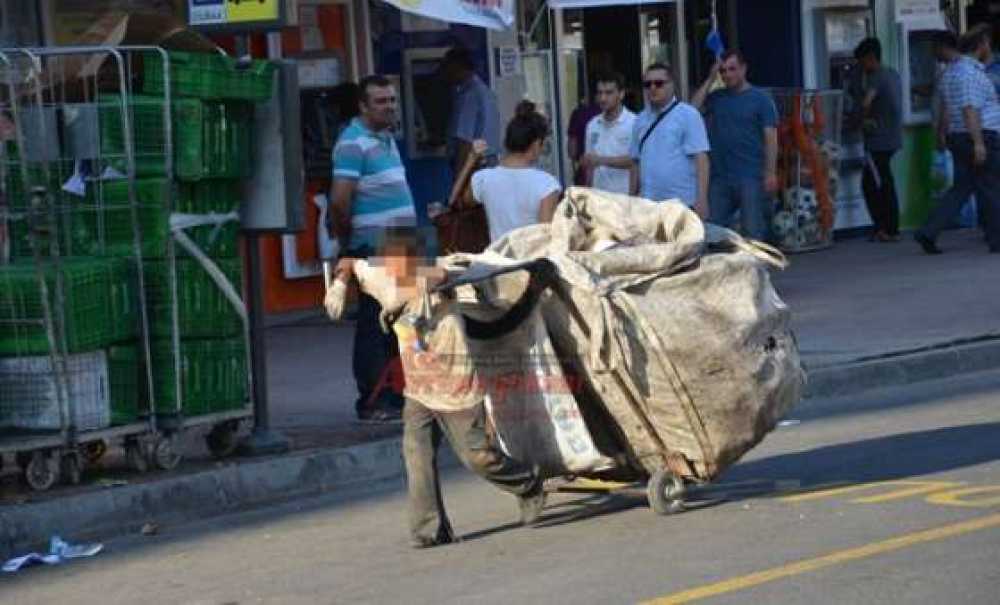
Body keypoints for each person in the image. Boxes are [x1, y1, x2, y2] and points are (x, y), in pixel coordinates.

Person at [324, 228, 547, 548]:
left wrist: (412, 286)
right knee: (416, 454)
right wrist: (340, 284)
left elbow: (444, 272)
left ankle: (528, 484)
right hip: (418, 388)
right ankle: (429, 529)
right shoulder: (378, 276)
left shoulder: (444, 273)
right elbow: (349, 262)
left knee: (478, 457)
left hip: (457, 387)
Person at [329, 75, 418, 422]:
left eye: (392, 100)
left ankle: (398, 394)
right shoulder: (352, 143)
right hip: (373, 244)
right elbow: (340, 200)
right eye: (381, 102)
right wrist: (348, 243)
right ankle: (372, 399)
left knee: (404, 323)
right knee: (374, 323)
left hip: (402, 242)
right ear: (363, 107)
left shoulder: (386, 138)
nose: (390, 107)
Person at [915, 26, 1000, 254]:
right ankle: (997, 238)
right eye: (988, 44)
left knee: (961, 189)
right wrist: (979, 142)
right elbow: (969, 109)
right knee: (991, 187)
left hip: (957, 136)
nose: (989, 49)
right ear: (981, 44)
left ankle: (929, 231)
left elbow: (945, 108)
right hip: (979, 135)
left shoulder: (950, 72)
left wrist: (942, 134)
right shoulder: (969, 74)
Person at [692, 50, 779, 242]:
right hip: (720, 177)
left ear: (744, 69)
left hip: (751, 176)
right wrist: (710, 78)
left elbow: (771, 137)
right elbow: (691, 110)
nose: (727, 74)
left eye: (732, 69)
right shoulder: (716, 97)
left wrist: (770, 172)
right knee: (711, 230)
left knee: (753, 232)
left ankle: (757, 271)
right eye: (723, 71)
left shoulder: (760, 99)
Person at [468, 101, 561, 242]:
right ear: (536, 145)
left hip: (497, 260)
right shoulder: (547, 184)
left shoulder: (482, 179)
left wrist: (471, 160)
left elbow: (460, 202)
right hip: (531, 262)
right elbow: (546, 238)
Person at [628, 63, 709, 216]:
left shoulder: (688, 115)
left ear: (672, 85)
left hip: (682, 204)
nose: (653, 88)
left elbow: (701, 160)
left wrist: (702, 199)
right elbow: (635, 162)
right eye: (647, 84)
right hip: (648, 204)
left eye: (659, 83)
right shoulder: (639, 120)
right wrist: (631, 199)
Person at [851, 38, 903, 243]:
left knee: (874, 184)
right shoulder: (892, 73)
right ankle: (888, 227)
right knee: (882, 181)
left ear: (871, 58)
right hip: (892, 137)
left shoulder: (876, 77)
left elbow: (866, 103)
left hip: (878, 140)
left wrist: (856, 122)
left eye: (862, 61)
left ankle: (886, 228)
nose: (860, 67)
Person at [441, 46, 502, 174]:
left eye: (447, 68)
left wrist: (460, 176)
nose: (445, 73)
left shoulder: (469, 96)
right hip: (489, 163)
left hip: (474, 167)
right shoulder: (484, 91)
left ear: (458, 67)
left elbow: (465, 141)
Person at [579, 71, 637, 195]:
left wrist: (600, 160)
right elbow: (590, 165)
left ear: (621, 94)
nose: (603, 98)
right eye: (600, 93)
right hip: (599, 198)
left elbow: (635, 161)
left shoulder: (634, 123)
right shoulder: (592, 124)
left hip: (624, 199)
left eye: (608, 93)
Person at [567, 95, 601, 186]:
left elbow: (572, 151)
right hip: (616, 175)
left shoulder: (578, 113)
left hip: (585, 173)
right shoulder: (625, 118)